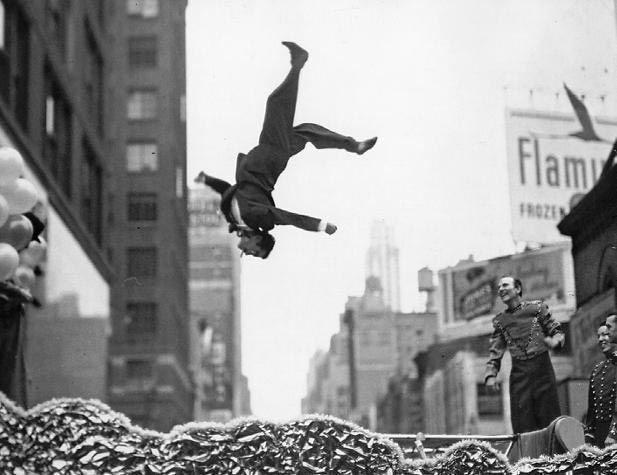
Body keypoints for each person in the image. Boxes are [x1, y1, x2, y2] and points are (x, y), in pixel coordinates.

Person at [195, 42, 377, 259]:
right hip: (269, 158)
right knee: (276, 103)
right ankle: (299, 62)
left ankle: (354, 146)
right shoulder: (261, 218)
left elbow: (227, 188)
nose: (246, 250)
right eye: (254, 251)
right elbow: (288, 217)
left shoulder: (233, 218)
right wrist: (320, 225)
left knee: (306, 132)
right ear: (258, 240)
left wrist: (206, 180)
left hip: (267, 156)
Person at [484, 275, 565, 433]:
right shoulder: (500, 321)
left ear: (518, 289)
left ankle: (555, 457)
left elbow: (557, 331)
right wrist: (490, 375)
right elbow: (495, 351)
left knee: (550, 418)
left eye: (505, 285)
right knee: (522, 424)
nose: (501, 289)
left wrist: (555, 342)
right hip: (520, 375)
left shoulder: (537, 308)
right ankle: (527, 458)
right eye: (499, 287)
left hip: (542, 370)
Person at [585, 317, 617, 447]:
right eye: (599, 336)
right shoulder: (597, 370)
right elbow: (592, 412)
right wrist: (589, 437)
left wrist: (614, 433)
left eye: (605, 334)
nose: (600, 339)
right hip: (601, 437)